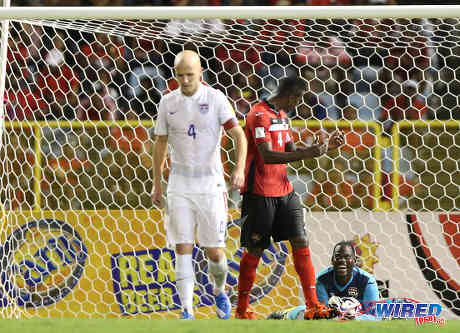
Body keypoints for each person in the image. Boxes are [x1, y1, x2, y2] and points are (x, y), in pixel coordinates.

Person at [236, 75, 344, 320]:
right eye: (299, 98)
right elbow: (267, 156)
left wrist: (324, 148)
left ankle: (313, 305)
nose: (298, 104)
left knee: (300, 241)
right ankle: (242, 309)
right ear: (292, 95)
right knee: (254, 250)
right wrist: (308, 153)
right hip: (259, 192)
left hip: (284, 192)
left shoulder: (284, 118)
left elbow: (291, 151)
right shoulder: (258, 115)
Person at [151, 50, 247, 320]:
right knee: (182, 246)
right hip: (179, 184)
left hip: (210, 184)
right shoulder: (168, 102)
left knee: (215, 252)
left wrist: (238, 169)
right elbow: (160, 143)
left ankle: (219, 291)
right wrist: (157, 183)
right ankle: (186, 310)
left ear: (201, 72)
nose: (184, 80)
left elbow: (239, 135)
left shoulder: (215, 99)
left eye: (190, 75)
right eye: (180, 75)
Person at [267, 241, 380, 321]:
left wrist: (355, 318)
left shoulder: (367, 281)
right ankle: (285, 315)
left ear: (355, 261)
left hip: (355, 319)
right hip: (333, 316)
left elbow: (374, 317)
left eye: (347, 257)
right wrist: (338, 316)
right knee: (307, 313)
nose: (342, 261)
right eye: (338, 257)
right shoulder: (322, 280)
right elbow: (322, 315)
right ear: (332, 260)